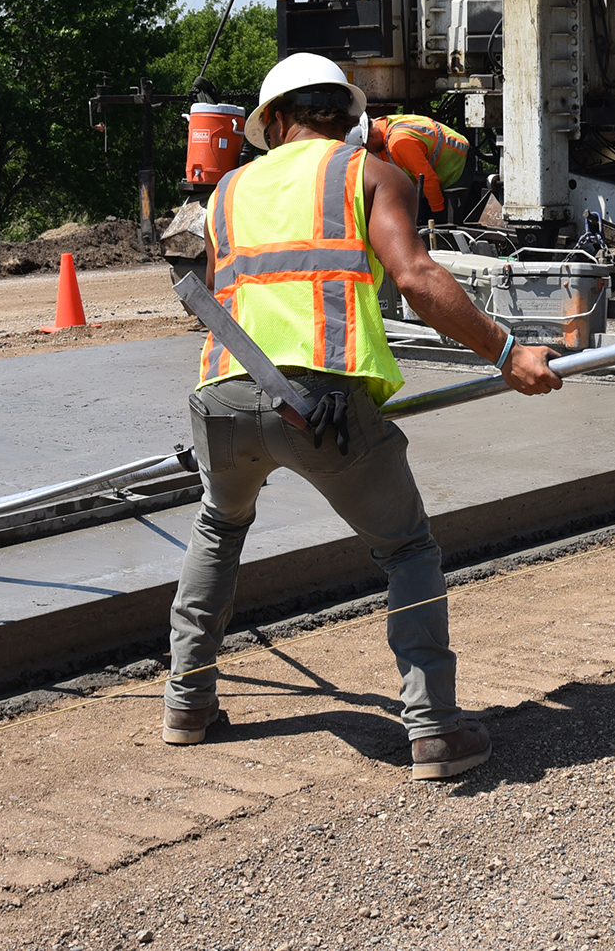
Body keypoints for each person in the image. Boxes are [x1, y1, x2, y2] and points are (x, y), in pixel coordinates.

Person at [164, 52, 562, 780]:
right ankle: (435, 729)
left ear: (276, 120)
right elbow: (415, 276)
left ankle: (187, 704)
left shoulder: (224, 193)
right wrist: (507, 351)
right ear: (347, 117)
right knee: (406, 551)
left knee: (220, 527)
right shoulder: (370, 175)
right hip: (322, 407)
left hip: (223, 393)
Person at [365, 112, 473, 220]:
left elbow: (427, 178)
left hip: (456, 164)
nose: (368, 152)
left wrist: (438, 211)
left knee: (451, 221)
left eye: (366, 147)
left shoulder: (399, 142)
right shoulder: (379, 124)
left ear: (371, 137)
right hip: (436, 175)